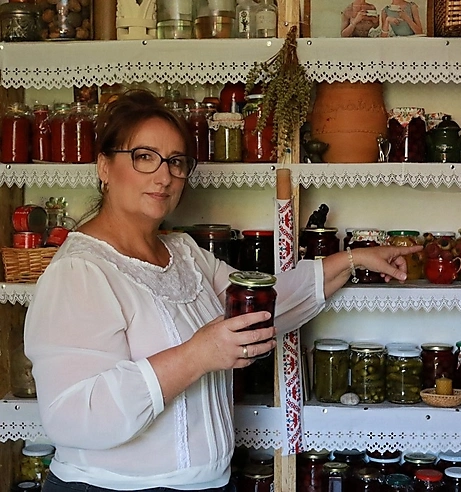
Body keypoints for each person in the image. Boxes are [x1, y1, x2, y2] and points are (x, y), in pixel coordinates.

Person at [24, 90, 422, 492]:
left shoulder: (183, 254)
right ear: (104, 166)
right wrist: (196, 355)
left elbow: (261, 306)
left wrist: (353, 259)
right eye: (144, 156)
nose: (164, 177)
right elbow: (73, 416)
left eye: (176, 161)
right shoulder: (80, 271)